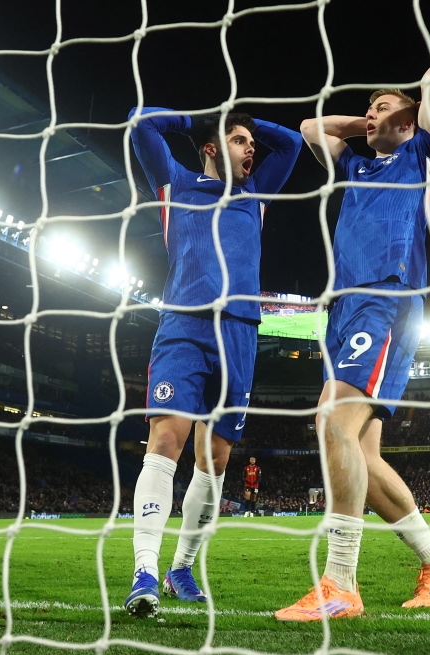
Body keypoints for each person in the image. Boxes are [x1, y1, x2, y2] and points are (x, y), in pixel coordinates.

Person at [275, 63, 430, 622]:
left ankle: (339, 583)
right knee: (363, 452)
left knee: (332, 419)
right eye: (369, 107)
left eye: (383, 108)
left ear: (406, 123)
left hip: (388, 294)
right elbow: (311, 128)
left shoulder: (423, 151)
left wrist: (405, 105)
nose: (373, 114)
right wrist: (366, 122)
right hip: (345, 304)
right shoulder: (355, 161)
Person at [123, 105, 301, 616]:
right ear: (210, 148)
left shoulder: (255, 196)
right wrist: (202, 118)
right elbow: (140, 122)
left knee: (216, 458)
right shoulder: (174, 181)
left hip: (241, 332)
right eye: (240, 141)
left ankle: (182, 566)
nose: (251, 150)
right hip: (184, 325)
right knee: (164, 441)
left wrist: (245, 122)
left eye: (250, 143)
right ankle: (145, 571)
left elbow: (288, 143)